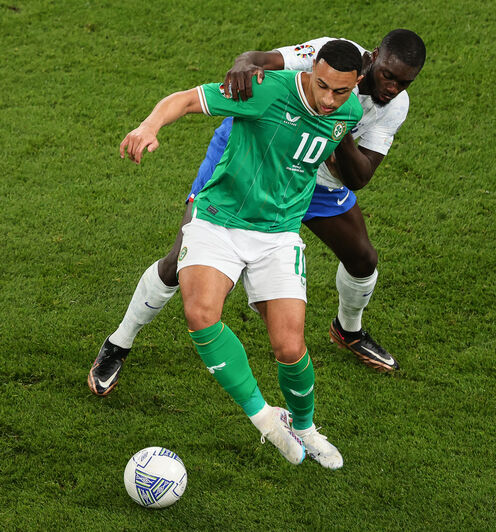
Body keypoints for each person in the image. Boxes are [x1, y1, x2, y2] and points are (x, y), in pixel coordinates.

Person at [88, 30, 427, 397]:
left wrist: (337, 125)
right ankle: (118, 343)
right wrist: (243, 67)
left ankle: (348, 330)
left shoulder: (393, 107)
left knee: (363, 259)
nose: (392, 88)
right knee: (176, 263)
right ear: (373, 58)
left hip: (312, 173)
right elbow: (257, 60)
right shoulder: (329, 55)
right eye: (388, 76)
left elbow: (360, 176)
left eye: (403, 83)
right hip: (253, 158)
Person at [115, 39, 365, 469]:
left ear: (356, 84)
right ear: (310, 72)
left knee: (289, 346)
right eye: (321, 86)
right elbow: (186, 100)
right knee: (200, 313)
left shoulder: (350, 112)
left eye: (339, 91)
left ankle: (304, 427)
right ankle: (267, 420)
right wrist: (149, 127)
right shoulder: (265, 89)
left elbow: (328, 148)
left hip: (279, 234)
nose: (328, 99)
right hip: (220, 220)